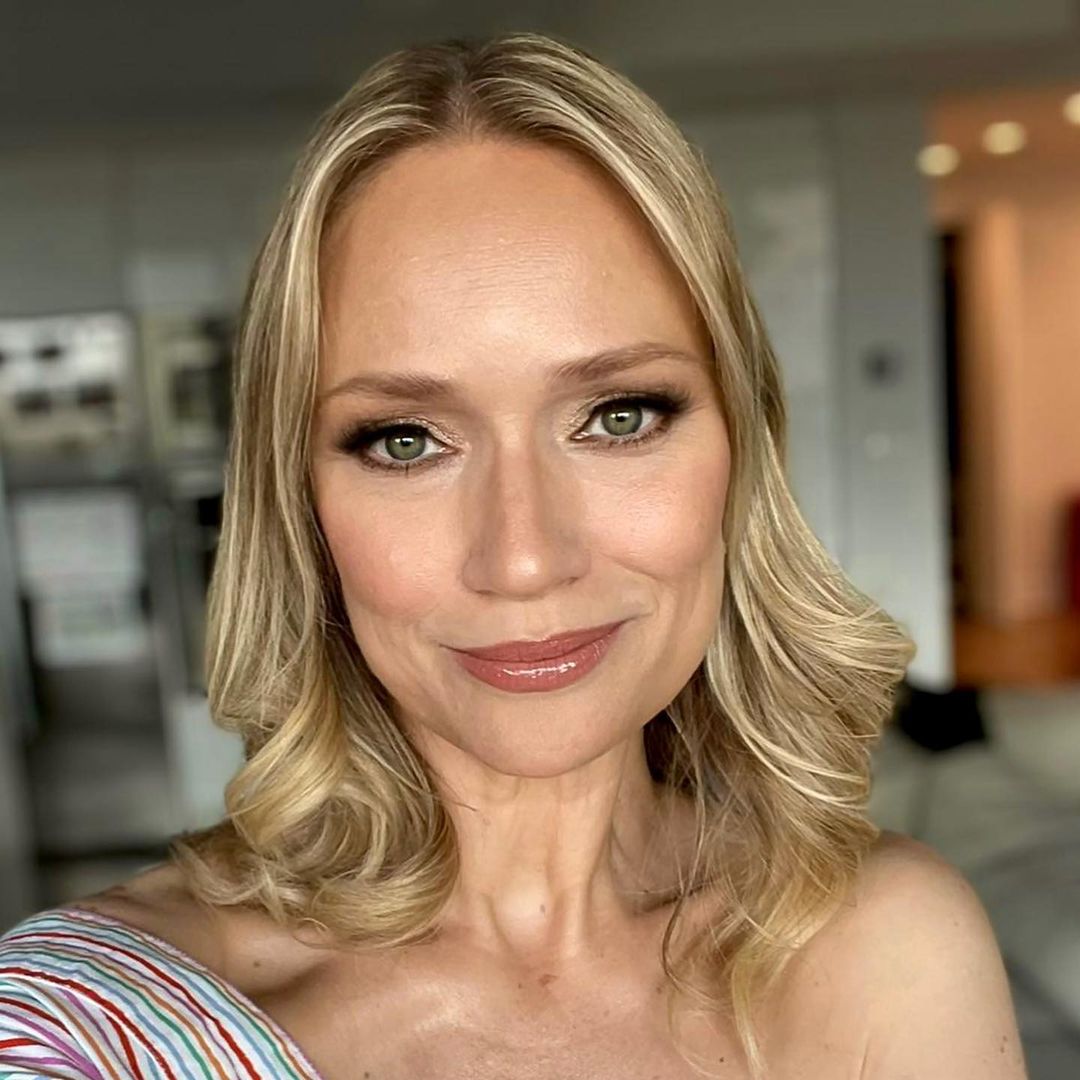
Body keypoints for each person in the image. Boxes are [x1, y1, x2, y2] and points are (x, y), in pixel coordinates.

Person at [0, 31, 1026, 1080]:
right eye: (407, 440)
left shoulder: (889, 952)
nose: (525, 559)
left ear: (741, 451)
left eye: (619, 416)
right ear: (301, 503)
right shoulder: (77, 1034)